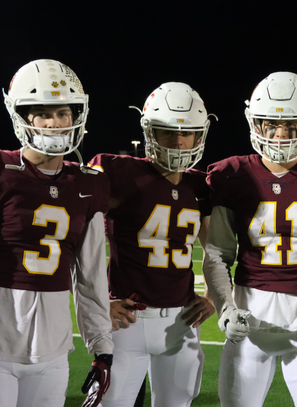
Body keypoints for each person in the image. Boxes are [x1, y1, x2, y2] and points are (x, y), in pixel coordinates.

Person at [0, 59, 114, 407]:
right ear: (22, 117)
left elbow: (92, 278)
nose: (54, 122)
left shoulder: (88, 184)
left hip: (52, 353)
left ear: (76, 116)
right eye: (41, 113)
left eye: (63, 112)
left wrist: (102, 347)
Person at [203, 71, 297, 407]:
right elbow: (217, 255)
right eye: (271, 124)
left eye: (291, 125)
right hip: (248, 319)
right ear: (256, 124)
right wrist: (226, 311)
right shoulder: (233, 174)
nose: (281, 134)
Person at [88, 82, 216, 407]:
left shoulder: (200, 186)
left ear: (199, 135)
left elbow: (217, 251)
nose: (177, 140)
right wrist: (99, 299)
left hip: (182, 321)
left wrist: (214, 296)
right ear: (149, 132)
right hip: (128, 320)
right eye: (166, 131)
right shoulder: (119, 173)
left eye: (186, 132)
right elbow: (77, 240)